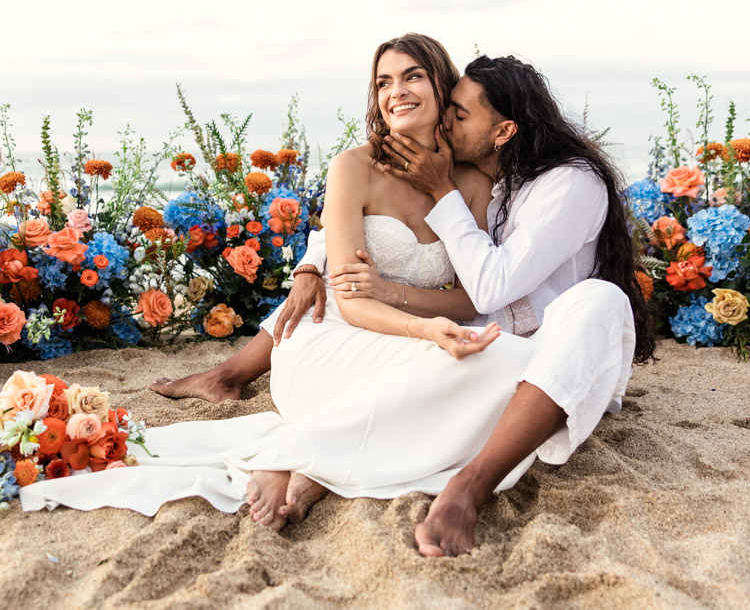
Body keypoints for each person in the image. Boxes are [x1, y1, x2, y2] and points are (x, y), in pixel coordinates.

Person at [151, 51, 656, 556]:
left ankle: (340, 465)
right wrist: (311, 263)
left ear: (502, 132)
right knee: (466, 364)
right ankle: (315, 458)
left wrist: (438, 197)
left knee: (598, 303)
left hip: (549, 355)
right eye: (384, 82)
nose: (449, 122)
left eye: (460, 114)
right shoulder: (454, 166)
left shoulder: (563, 184)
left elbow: (489, 289)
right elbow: (358, 223)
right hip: (473, 345)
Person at [20, 34, 513, 528]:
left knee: (489, 377)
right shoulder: (353, 167)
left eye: (412, 77)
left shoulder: (471, 183)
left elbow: (470, 299)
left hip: (405, 339)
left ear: (440, 84)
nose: (396, 92)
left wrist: (414, 309)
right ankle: (292, 456)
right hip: (334, 336)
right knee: (448, 379)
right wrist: (426, 326)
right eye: (383, 82)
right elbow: (356, 302)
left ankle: (310, 466)